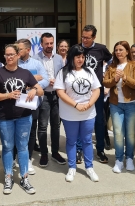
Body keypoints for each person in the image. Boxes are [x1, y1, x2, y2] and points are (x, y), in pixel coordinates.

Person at [0, 44, 43, 194]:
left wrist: (34, 90)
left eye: (11, 54)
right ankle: (8, 177)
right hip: (4, 117)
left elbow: (41, 91)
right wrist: (8, 95)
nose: (9, 57)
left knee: (22, 147)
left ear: (17, 56)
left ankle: (24, 178)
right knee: (8, 147)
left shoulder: (25, 73)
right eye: (6, 54)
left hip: (24, 116)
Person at [54, 44, 101, 182]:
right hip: (70, 113)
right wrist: (75, 105)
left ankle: (89, 167)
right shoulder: (63, 72)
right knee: (71, 141)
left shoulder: (90, 71)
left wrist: (89, 103)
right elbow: (60, 92)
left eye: (82, 57)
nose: (80, 60)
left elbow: (96, 89)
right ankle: (72, 167)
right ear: (72, 57)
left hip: (88, 112)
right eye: (77, 57)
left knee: (87, 140)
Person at [103, 41, 135, 173]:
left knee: (130, 134)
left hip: (132, 103)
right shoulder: (111, 66)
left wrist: (125, 77)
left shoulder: (134, 65)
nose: (118, 52)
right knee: (118, 133)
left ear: (127, 51)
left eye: (121, 49)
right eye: (116, 50)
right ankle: (119, 160)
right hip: (115, 104)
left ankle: (129, 158)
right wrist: (114, 79)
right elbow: (105, 83)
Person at [16, 38, 49, 175]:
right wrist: (34, 79)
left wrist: (35, 88)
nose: (17, 51)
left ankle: (28, 159)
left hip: (32, 103)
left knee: (30, 132)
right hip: (16, 102)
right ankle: (14, 157)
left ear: (28, 50)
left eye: (19, 49)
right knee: (15, 131)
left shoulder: (37, 63)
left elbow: (46, 79)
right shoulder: (14, 63)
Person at [80, 25, 112, 163]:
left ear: (94, 37)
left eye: (87, 38)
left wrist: (107, 74)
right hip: (80, 91)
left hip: (96, 90)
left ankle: (100, 150)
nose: (85, 40)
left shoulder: (101, 48)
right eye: (83, 37)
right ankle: (78, 149)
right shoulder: (77, 48)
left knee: (99, 120)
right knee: (80, 120)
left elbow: (111, 60)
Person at [33, 32, 66, 167]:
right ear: (41, 44)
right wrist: (46, 82)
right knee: (42, 126)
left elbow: (63, 74)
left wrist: (57, 82)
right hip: (43, 95)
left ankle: (55, 152)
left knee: (56, 126)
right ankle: (44, 154)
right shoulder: (35, 59)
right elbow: (33, 79)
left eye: (51, 43)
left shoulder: (59, 58)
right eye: (46, 43)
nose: (49, 46)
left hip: (57, 96)